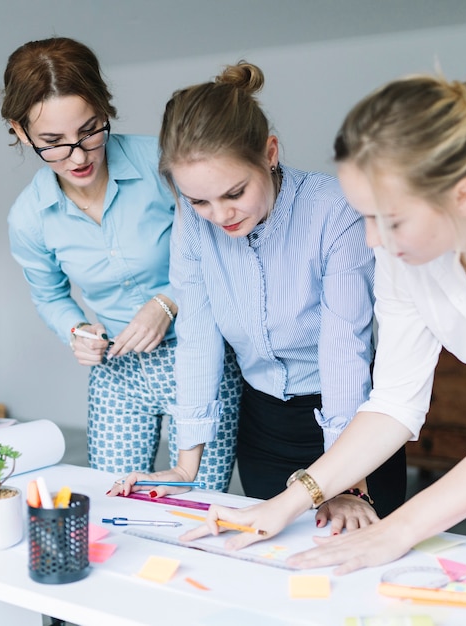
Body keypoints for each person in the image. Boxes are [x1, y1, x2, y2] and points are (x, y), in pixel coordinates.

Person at [184, 65, 466, 571]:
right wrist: (288, 502)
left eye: (389, 220)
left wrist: (397, 530)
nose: (372, 240)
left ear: (462, 194)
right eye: (364, 215)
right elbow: (394, 402)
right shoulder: (402, 251)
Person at [110, 61, 407, 521]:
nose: (219, 214)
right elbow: (198, 337)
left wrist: (347, 479)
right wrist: (186, 465)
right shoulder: (195, 224)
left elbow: (343, 348)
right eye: (199, 200)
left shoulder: (335, 211)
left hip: (352, 426)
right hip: (264, 425)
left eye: (234, 193)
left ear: (269, 152)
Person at [2, 37, 241, 488]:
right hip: (117, 372)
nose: (78, 156)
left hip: (200, 352)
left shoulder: (162, 163)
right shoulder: (29, 218)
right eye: (52, 143)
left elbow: (222, 248)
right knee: (113, 500)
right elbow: (50, 296)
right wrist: (76, 330)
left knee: (201, 499)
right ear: (20, 131)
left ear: (105, 109)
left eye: (90, 131)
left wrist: (168, 301)